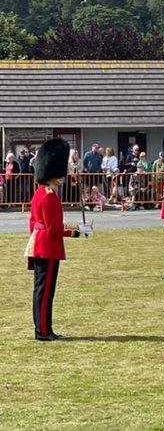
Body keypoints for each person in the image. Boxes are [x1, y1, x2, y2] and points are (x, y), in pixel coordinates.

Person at [26, 138, 92, 341]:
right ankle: (43, 331)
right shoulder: (49, 196)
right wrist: (78, 231)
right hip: (48, 248)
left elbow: (33, 224)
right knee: (45, 293)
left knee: (41, 291)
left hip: (39, 245)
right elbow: (55, 229)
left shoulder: (40, 193)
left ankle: (44, 329)